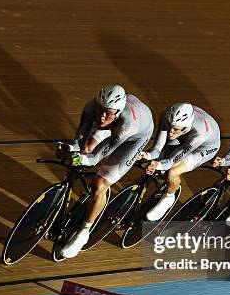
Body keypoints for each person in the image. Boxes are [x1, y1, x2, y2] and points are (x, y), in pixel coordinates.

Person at [55, 85, 154, 258]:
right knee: (83, 150)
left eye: (107, 113)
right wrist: (70, 149)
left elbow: (96, 158)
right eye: (99, 110)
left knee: (100, 183)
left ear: (117, 111)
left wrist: (83, 159)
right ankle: (63, 199)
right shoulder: (90, 108)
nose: (101, 117)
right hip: (115, 125)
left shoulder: (127, 125)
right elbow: (79, 142)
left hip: (135, 137)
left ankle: (83, 233)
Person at [141, 102, 221, 221]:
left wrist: (159, 165)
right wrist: (148, 155)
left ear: (185, 127)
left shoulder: (199, 134)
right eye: (169, 126)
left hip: (204, 147)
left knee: (173, 171)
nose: (170, 131)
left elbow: (173, 160)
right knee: (156, 161)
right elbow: (157, 148)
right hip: (184, 137)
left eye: (175, 129)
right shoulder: (167, 115)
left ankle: (169, 197)